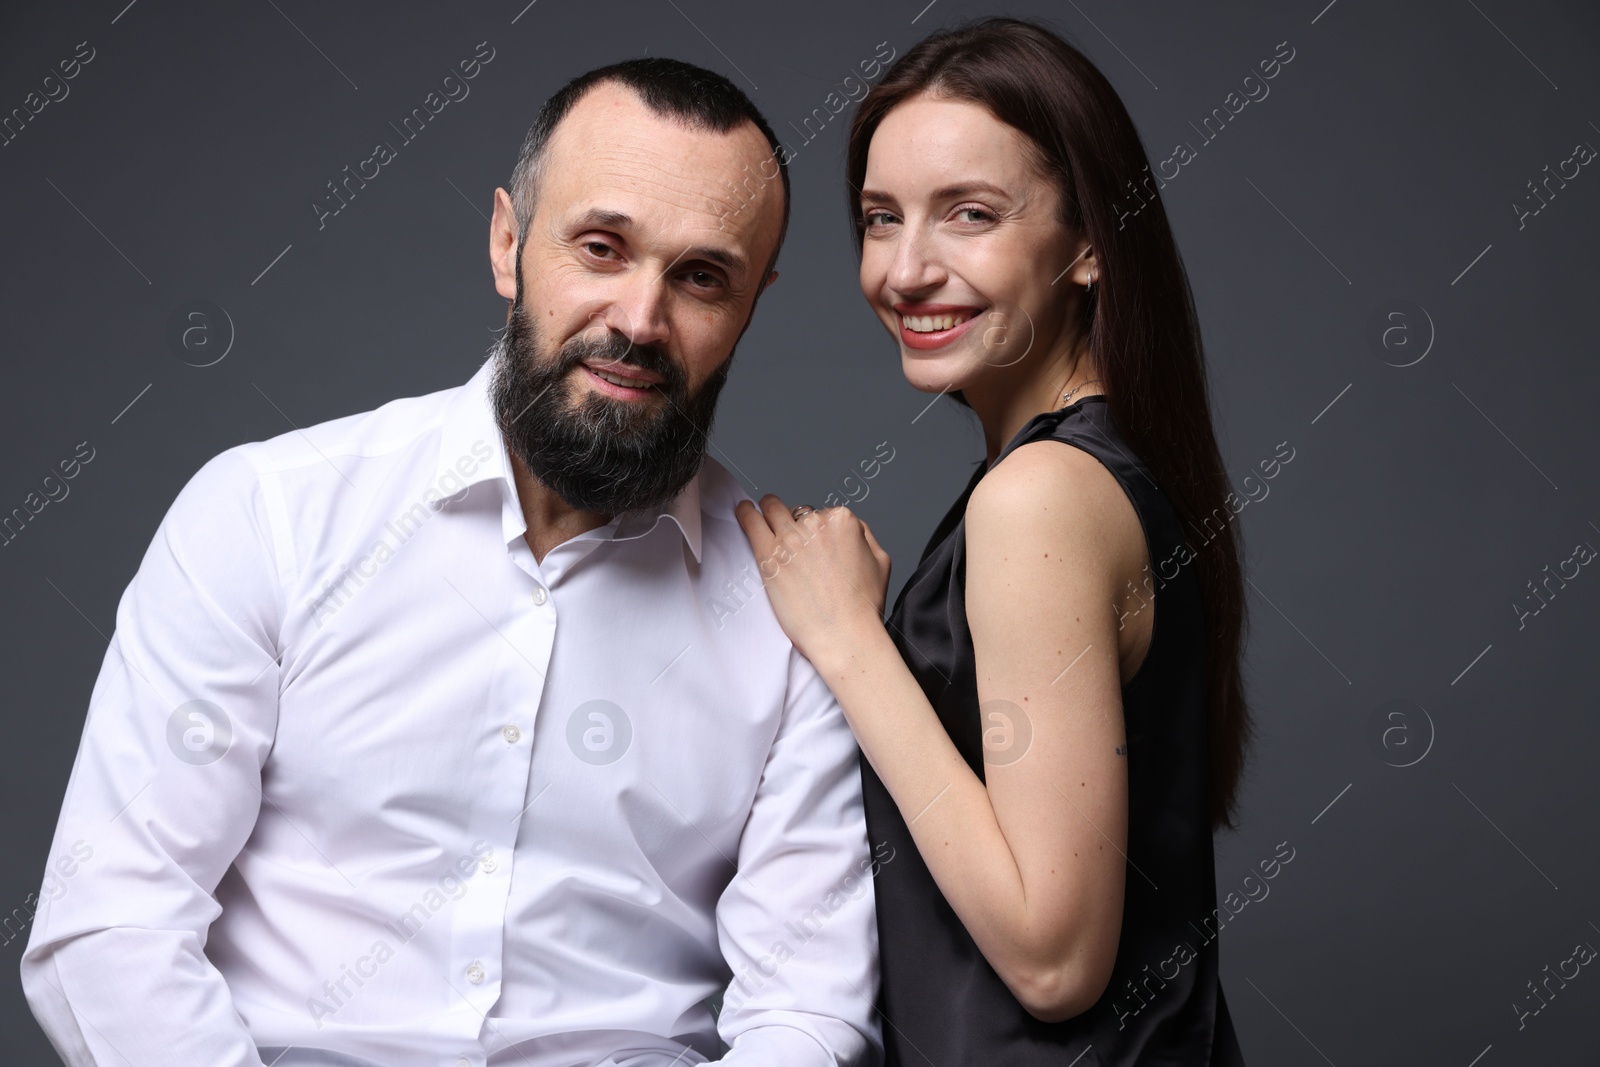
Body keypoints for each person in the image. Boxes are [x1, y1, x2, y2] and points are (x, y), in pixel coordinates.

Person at [22, 58, 881, 1067]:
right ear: (509, 242)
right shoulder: (266, 514)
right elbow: (112, 921)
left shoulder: (795, 604)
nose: (640, 321)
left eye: (701, 276)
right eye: (601, 247)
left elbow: (807, 1006)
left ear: (750, 304)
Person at [736, 17, 1250, 1065]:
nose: (908, 268)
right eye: (881, 218)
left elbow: (1053, 959)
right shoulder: (1089, 470)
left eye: (970, 214)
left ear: (1090, 245)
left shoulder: (1039, 498)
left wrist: (849, 641)